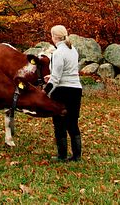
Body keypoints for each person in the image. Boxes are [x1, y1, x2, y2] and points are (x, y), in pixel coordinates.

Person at [43, 25, 82, 162]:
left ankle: (62, 155)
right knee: (72, 122)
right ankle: (77, 156)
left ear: (54, 37)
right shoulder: (73, 50)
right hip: (76, 89)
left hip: (62, 91)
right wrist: (52, 76)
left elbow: (56, 79)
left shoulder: (58, 53)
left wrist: (45, 91)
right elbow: (68, 71)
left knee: (59, 123)